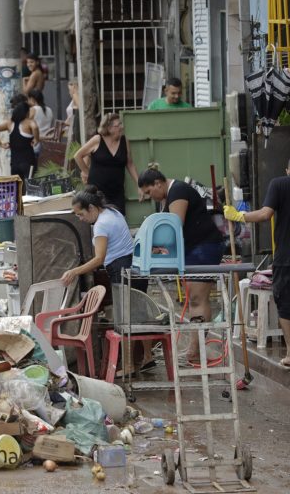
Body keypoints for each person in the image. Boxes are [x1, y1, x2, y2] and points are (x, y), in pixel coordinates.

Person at [61, 187, 154, 373]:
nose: (80, 218)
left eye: (81, 214)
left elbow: (98, 259)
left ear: (92, 208)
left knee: (124, 318)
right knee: (139, 315)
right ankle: (148, 357)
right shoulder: (113, 211)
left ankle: (127, 366)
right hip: (135, 266)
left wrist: (74, 271)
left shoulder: (101, 225)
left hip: (120, 269)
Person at [138, 168, 225, 363]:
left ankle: (196, 350)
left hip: (204, 247)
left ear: (158, 183)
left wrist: (157, 249)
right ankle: (195, 348)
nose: (149, 197)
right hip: (195, 249)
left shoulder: (177, 191)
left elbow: (174, 228)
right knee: (194, 299)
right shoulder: (169, 194)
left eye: (149, 192)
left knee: (196, 299)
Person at [224, 160, 290, 367]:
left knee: (286, 304)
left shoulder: (280, 184)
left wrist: (238, 216)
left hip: (287, 257)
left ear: (287, 169)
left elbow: (264, 214)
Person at [74, 113, 142, 215]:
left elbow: (130, 163)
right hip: (97, 192)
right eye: (118, 125)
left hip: (117, 191)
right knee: (99, 222)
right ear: (109, 128)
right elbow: (78, 156)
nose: (121, 127)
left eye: (121, 124)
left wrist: (139, 184)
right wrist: (87, 172)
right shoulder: (97, 140)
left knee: (118, 220)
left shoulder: (124, 141)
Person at [0, 96, 39, 181]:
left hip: (14, 164)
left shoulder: (9, 123)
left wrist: (1, 144)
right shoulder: (29, 122)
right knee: (30, 187)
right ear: (26, 112)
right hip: (28, 162)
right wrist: (36, 139)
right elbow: (35, 127)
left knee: (17, 188)